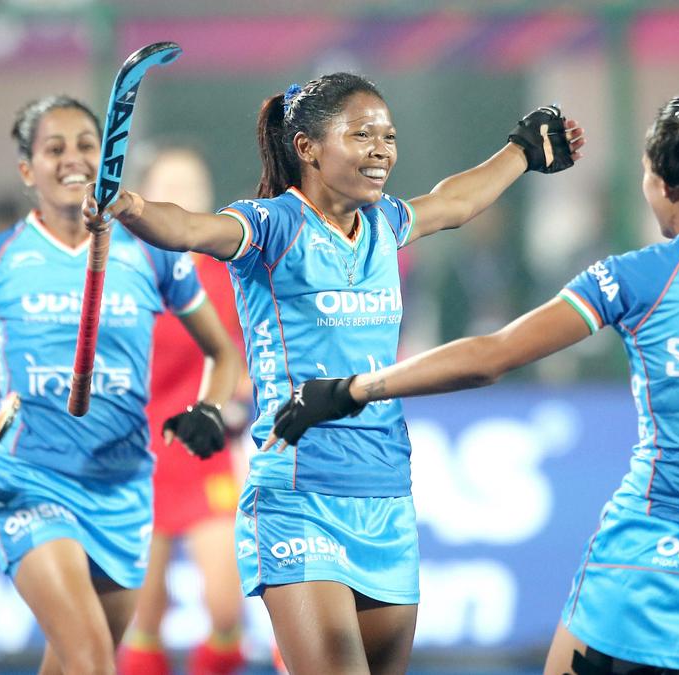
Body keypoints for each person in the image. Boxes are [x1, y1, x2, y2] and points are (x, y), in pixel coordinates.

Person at [265, 91, 679, 675]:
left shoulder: (638, 275)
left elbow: (492, 356)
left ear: (666, 183)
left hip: (640, 575)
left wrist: (354, 389)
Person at [81, 72, 585, 674]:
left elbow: (454, 202)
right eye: (362, 135)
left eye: (388, 136)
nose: (382, 150)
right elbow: (189, 228)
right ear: (308, 148)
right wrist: (131, 207)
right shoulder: (270, 225)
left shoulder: (385, 223)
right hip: (299, 496)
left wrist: (521, 152)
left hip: (386, 497)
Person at [0, 95, 242, 675]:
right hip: (34, 484)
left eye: (87, 145)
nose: (73, 158)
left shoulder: (158, 261)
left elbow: (224, 353)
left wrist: (211, 409)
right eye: (54, 148)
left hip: (126, 488)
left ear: (105, 161)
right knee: (91, 661)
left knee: (73, 661)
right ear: (27, 169)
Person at [117, 145, 250, 675]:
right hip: (136, 454)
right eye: (170, 185)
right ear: (144, 196)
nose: (183, 195)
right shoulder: (119, 269)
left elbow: (248, 358)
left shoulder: (230, 271)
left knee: (226, 609)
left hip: (204, 449)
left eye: (193, 184)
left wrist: (240, 390)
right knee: (143, 620)